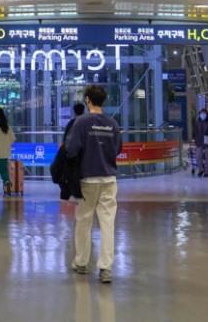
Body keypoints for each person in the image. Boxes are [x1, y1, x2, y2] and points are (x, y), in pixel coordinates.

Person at [65, 85, 122, 284]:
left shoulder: (81, 122)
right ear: (103, 101)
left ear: (88, 100)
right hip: (109, 179)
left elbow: (71, 149)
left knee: (84, 221)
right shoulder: (113, 124)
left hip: (88, 179)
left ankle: (81, 262)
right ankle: (106, 268)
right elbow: (117, 149)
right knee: (107, 224)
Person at [194, 108, 208, 177]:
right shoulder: (197, 122)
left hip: (207, 142)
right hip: (199, 142)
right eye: (201, 113)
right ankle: (201, 170)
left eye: (204, 114)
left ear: (206, 115)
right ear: (199, 114)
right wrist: (196, 142)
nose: (203, 115)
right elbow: (195, 133)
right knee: (198, 157)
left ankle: (207, 172)